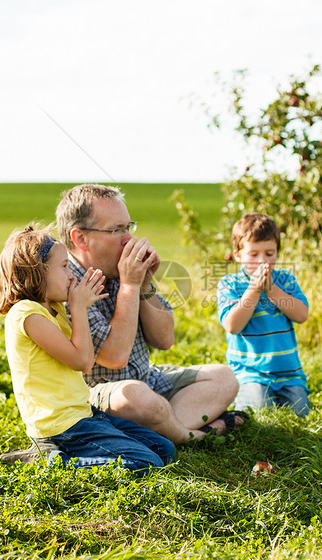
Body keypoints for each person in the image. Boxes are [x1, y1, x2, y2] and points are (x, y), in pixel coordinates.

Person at [54, 184, 247, 445]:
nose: (128, 239)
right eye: (116, 230)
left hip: (147, 380)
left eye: (128, 227)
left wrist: (143, 284)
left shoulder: (117, 269)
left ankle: (156, 428)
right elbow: (115, 356)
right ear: (81, 238)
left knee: (224, 378)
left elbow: (165, 339)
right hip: (101, 396)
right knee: (138, 399)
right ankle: (192, 434)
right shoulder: (67, 285)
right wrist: (130, 285)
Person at [0, 225, 175, 475]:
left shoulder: (54, 309)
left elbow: (85, 361)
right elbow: (81, 361)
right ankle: (50, 460)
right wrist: (79, 308)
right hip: (59, 425)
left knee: (163, 448)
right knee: (146, 462)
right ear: (37, 271)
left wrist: (77, 308)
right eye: (64, 266)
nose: (71, 276)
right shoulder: (26, 314)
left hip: (82, 414)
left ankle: (59, 452)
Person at [217, 213, 311, 417]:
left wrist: (271, 290)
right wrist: (254, 289)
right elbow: (233, 325)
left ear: (277, 253)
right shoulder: (230, 284)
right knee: (258, 415)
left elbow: (301, 315)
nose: (262, 261)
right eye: (253, 254)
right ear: (238, 255)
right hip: (250, 372)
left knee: (300, 414)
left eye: (269, 253)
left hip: (289, 373)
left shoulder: (285, 280)